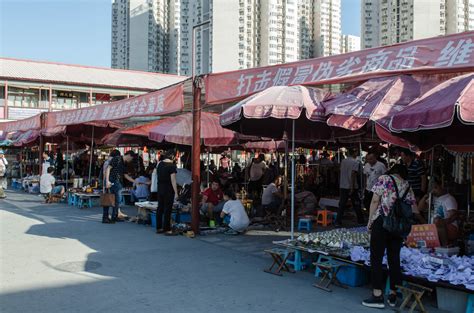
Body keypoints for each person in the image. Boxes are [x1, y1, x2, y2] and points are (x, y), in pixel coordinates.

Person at [363, 164, 418, 309]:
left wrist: (370, 220)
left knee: (376, 257)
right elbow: (413, 208)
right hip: (398, 226)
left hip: (382, 221)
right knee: (394, 258)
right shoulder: (407, 185)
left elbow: (375, 200)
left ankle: (377, 296)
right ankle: (393, 295)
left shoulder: (385, 179)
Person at [419, 178, 459, 246]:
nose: (434, 190)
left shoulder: (449, 198)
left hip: (449, 226)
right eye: (433, 188)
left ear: (441, 186)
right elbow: (420, 208)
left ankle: (445, 245)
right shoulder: (432, 198)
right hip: (434, 226)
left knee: (437, 222)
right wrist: (425, 197)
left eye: (436, 187)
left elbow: (453, 216)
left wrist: (439, 222)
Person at [336, 148, 364, 226]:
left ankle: (338, 221)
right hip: (351, 186)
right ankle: (360, 220)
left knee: (342, 204)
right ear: (354, 152)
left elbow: (341, 172)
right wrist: (351, 187)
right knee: (356, 203)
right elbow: (353, 174)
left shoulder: (343, 161)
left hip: (343, 185)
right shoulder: (355, 162)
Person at [155, 149, 178, 235]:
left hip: (160, 188)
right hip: (168, 189)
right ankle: (167, 229)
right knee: (167, 209)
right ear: (172, 156)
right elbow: (173, 180)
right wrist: (176, 192)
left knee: (160, 208)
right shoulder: (171, 166)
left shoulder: (159, 164)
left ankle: (159, 227)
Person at [103, 150, 124, 224]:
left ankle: (112, 217)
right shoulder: (113, 160)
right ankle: (106, 217)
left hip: (110, 181)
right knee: (109, 199)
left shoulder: (111, 160)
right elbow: (106, 171)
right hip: (110, 182)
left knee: (111, 199)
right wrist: (107, 181)